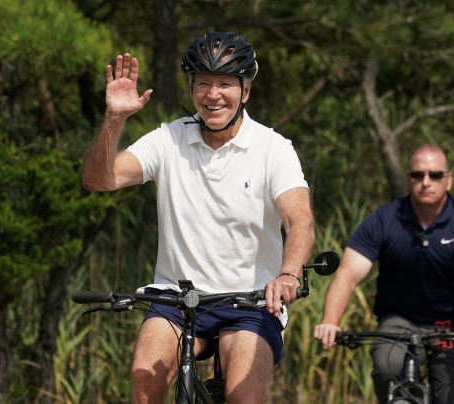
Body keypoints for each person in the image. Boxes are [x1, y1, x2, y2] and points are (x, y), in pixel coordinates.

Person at [82, 32, 315, 404]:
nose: (213, 94)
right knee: (145, 378)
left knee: (245, 398)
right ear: (192, 88)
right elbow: (99, 179)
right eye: (203, 83)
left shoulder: (273, 148)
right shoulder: (169, 138)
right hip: (177, 297)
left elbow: (300, 220)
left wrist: (288, 274)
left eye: (225, 83)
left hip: (250, 302)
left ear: (246, 91)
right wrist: (114, 119)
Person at [314, 144, 454, 404]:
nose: (426, 182)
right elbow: (347, 274)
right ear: (408, 179)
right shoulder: (383, 220)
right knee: (386, 366)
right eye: (418, 175)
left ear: (448, 180)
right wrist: (330, 321)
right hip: (400, 320)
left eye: (435, 175)